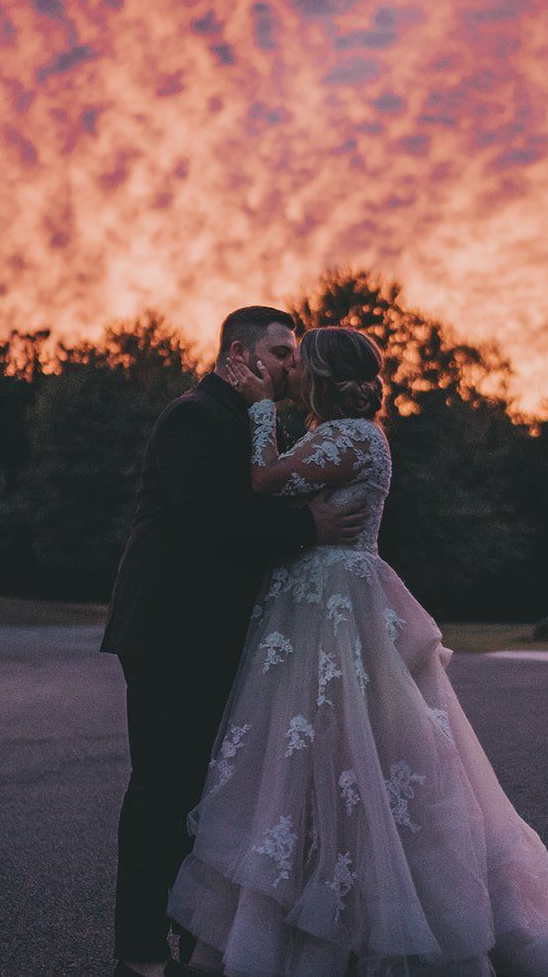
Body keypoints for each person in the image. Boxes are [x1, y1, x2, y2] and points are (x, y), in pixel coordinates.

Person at [165, 326, 548, 975]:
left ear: (325, 376)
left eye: (303, 362)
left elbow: (265, 477)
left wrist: (257, 411)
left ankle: (354, 928)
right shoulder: (351, 431)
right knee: (314, 759)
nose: (294, 370)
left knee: (351, 758)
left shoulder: (353, 434)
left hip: (335, 606)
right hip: (319, 601)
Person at [102, 306, 370, 977]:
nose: (293, 365)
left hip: (214, 637)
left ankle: (195, 938)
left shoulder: (253, 417)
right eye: (281, 352)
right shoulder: (195, 415)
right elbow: (210, 525)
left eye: (295, 354)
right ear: (239, 352)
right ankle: (138, 952)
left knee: (205, 795)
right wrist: (307, 523)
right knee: (164, 791)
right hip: (172, 634)